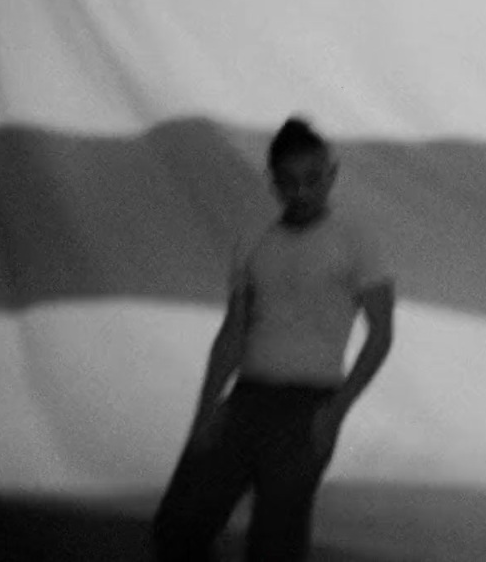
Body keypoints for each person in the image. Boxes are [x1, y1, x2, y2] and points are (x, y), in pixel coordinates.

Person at [152, 117, 395, 562]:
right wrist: (206, 410)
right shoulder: (253, 238)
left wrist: (335, 412)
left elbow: (381, 333)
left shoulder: (357, 238)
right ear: (273, 182)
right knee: (178, 525)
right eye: (289, 182)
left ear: (332, 175)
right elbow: (233, 331)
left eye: (312, 180)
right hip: (246, 397)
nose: (301, 192)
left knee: (274, 544)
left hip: (310, 404)